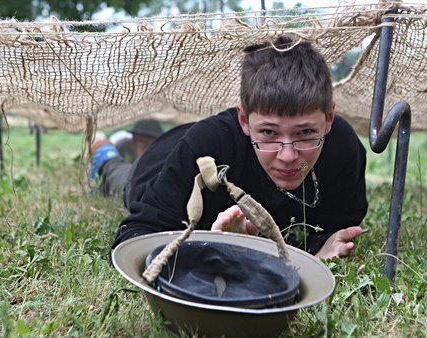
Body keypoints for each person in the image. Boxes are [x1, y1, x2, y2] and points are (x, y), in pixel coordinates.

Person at [108, 36, 368, 260]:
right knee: (118, 177)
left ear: (329, 119)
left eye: (305, 133)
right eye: (268, 133)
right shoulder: (204, 145)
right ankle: (104, 156)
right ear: (244, 120)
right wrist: (212, 247)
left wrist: (318, 250)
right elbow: (133, 238)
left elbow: (335, 228)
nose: (288, 156)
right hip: (155, 164)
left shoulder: (344, 149)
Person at [89, 118, 164, 200]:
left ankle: (104, 166)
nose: (140, 149)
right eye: (138, 142)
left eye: (147, 144)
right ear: (133, 142)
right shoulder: (122, 146)